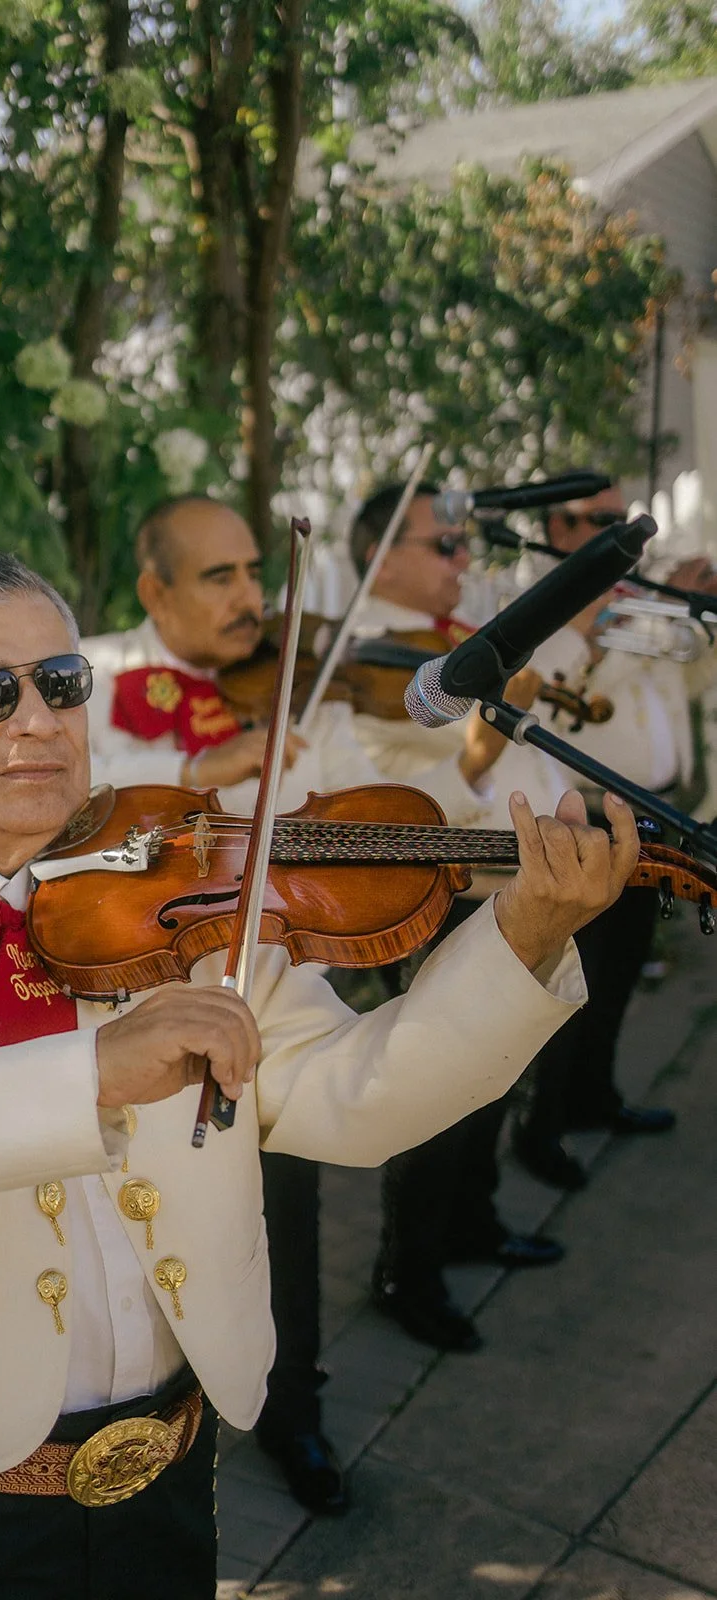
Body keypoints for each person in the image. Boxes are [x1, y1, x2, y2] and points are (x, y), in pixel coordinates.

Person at [0, 548, 637, 1600]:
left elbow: (357, 1096)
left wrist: (523, 931)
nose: (37, 718)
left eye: (59, 682)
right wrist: (86, 1070)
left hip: (167, 1486)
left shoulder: (184, 899)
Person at [83, 494, 507, 1505]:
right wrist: (192, 769)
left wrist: (481, 827)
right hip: (135, 1009)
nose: (247, 599)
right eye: (216, 576)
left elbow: (357, 799)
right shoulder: (94, 681)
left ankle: (294, 1413)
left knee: (291, 1209)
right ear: (154, 589)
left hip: (276, 990)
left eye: (251, 572)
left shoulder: (288, 688)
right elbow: (72, 800)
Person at [347, 484, 573, 1353]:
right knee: (436, 1095)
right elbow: (384, 805)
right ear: (381, 557)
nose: (460, 561)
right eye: (441, 546)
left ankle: (471, 1222)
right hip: (437, 893)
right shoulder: (364, 662)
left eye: (457, 545)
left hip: (507, 887)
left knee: (493, 1076)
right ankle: (408, 1271)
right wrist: (479, 757)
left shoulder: (439, 645)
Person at [509, 481, 717, 1190]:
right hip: (587, 812)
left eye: (621, 520)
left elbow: (678, 689)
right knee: (576, 977)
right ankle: (541, 1130)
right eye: (601, 521)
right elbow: (572, 709)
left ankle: (594, 1096)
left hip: (650, 808)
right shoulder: (543, 604)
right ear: (557, 526)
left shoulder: (627, 601)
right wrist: (621, 628)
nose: (619, 533)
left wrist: (689, 616)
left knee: (621, 967)